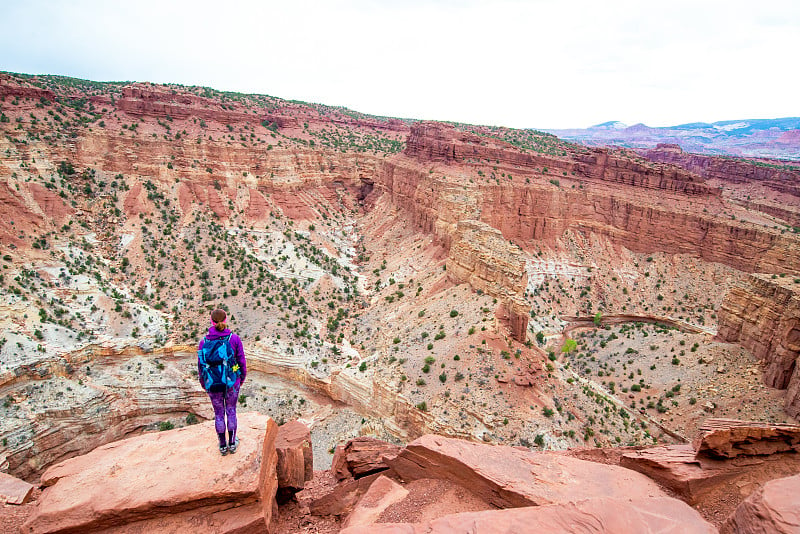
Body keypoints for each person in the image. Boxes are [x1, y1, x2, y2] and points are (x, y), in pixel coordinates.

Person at [198, 308, 247, 455]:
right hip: (232, 382)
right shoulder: (234, 339)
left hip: (212, 383)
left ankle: (222, 446)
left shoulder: (204, 342)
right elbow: (241, 361)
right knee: (231, 411)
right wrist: (240, 376)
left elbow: (201, 366)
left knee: (219, 414)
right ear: (225, 320)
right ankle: (232, 444)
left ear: (212, 322)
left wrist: (204, 383)